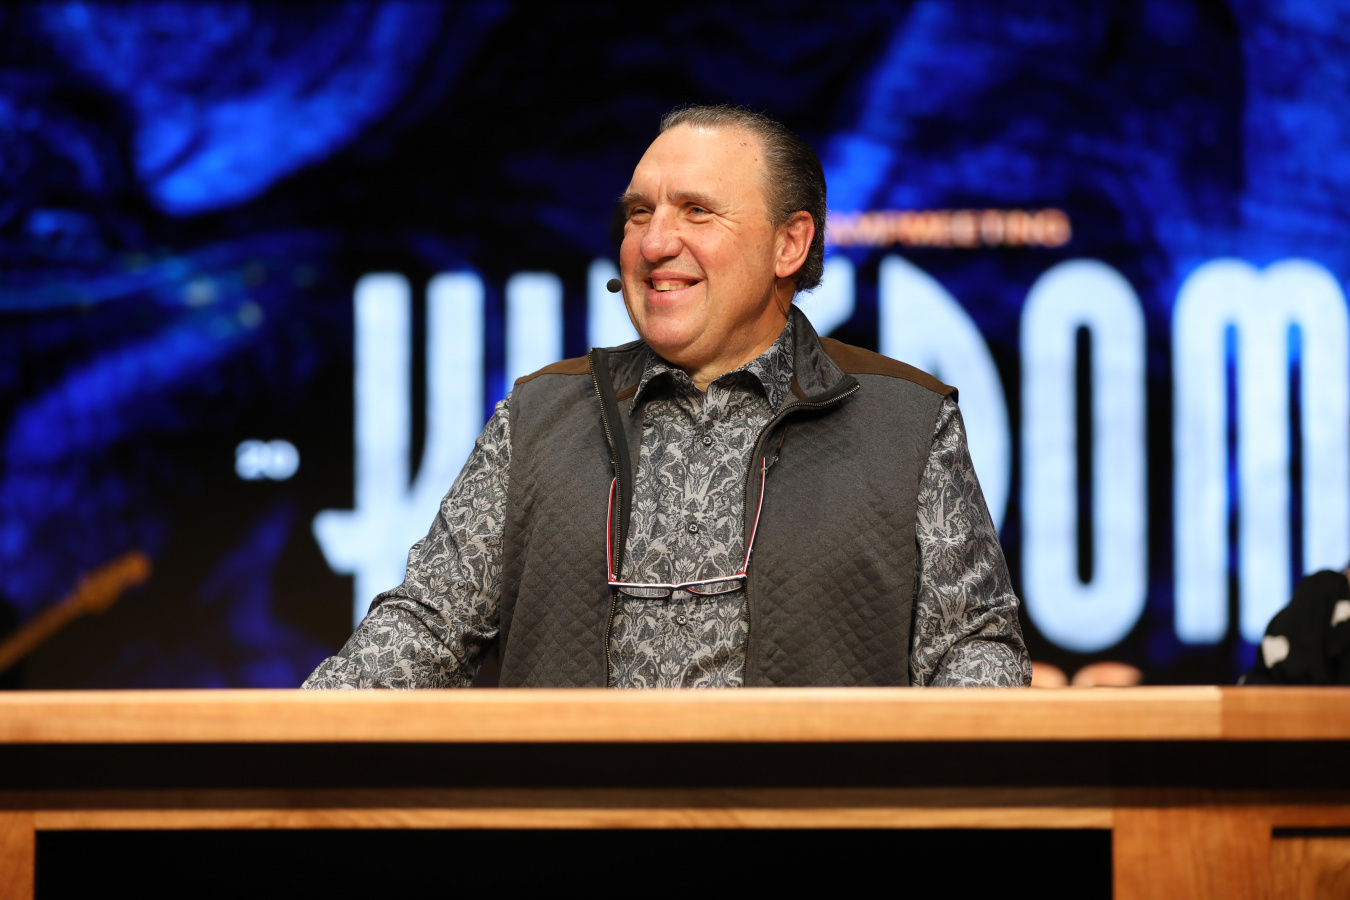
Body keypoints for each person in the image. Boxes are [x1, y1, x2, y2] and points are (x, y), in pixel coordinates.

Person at [304, 105, 1030, 689]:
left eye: (696, 211)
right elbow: (426, 630)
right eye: (638, 213)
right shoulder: (537, 416)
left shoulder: (906, 420)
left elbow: (972, 653)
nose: (653, 244)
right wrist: (280, 743)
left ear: (789, 244)